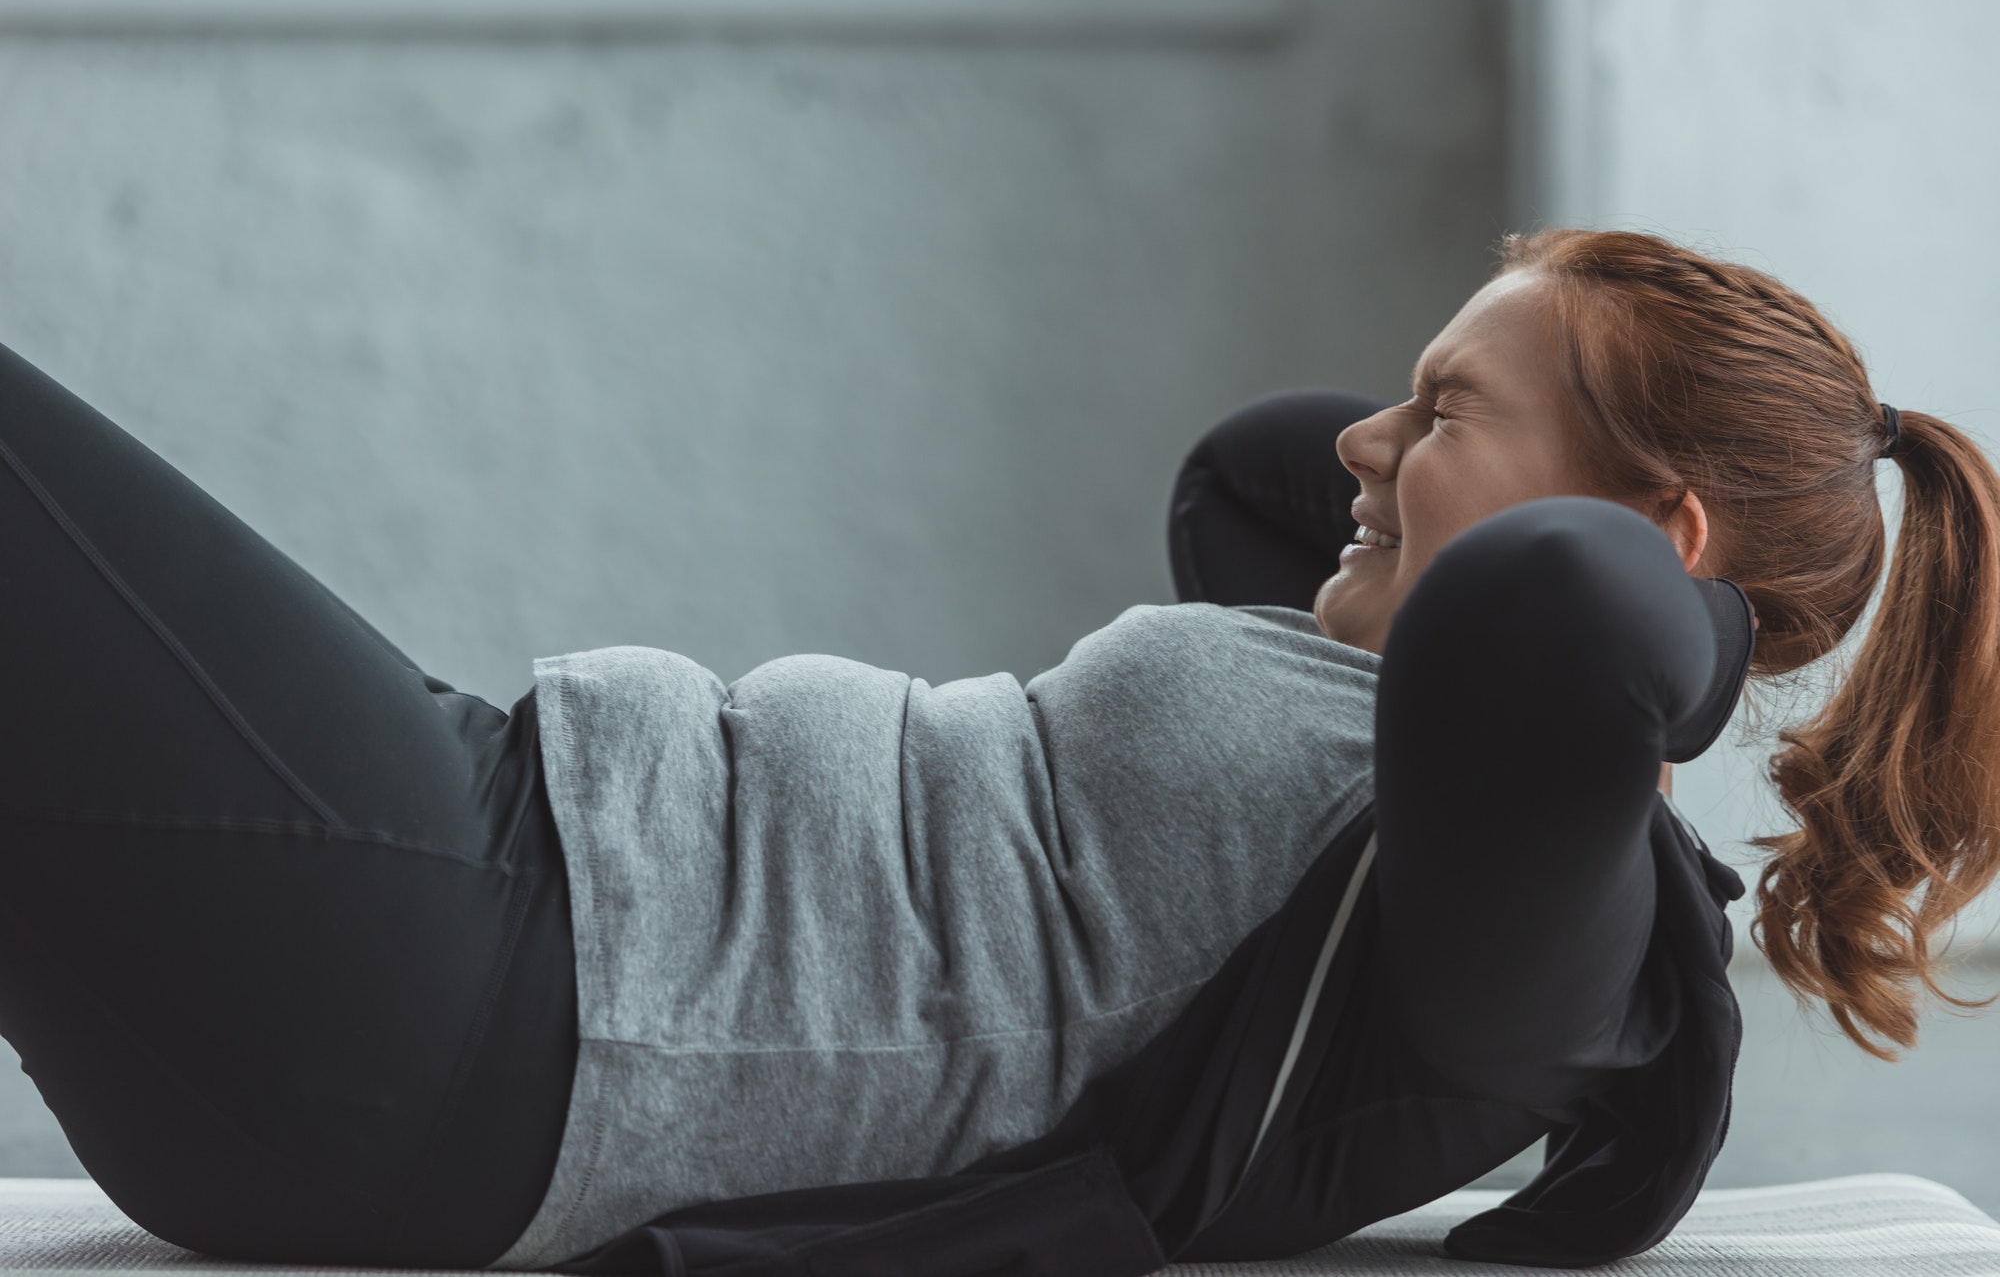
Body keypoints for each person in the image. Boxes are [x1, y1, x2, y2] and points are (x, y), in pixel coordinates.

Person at [0, 227, 1991, 1273]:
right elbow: (1252, 478)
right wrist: (1476, 444)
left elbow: (1560, 615)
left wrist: (1653, 591)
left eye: (1440, 403)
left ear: (1647, 542)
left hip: (496, 1001)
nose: (1361, 452)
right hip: (484, 902)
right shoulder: (1393, 702)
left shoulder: (1546, 941)